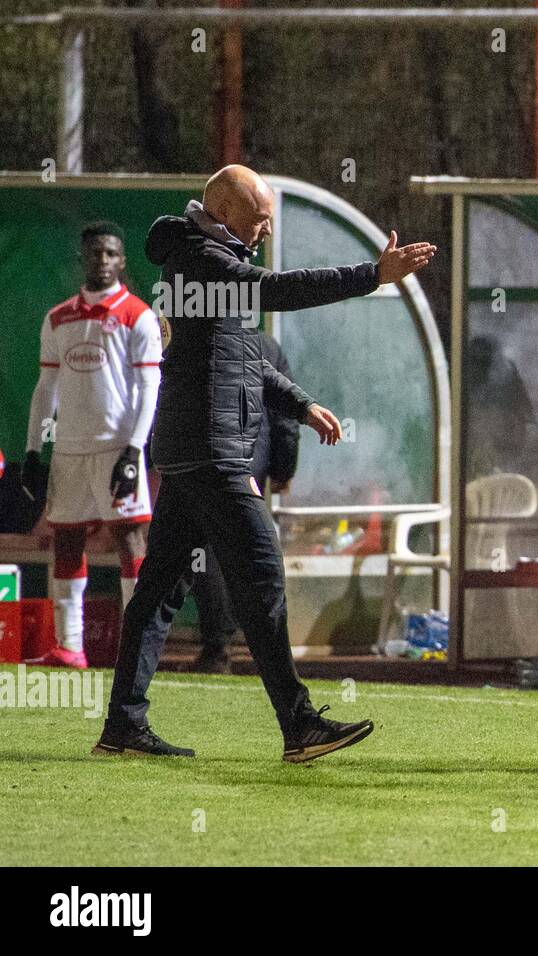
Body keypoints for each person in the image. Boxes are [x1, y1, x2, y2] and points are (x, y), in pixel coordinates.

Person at [92, 165, 434, 761]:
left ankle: (123, 726)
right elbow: (278, 289)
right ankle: (298, 725)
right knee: (260, 574)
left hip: (191, 447)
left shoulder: (196, 257)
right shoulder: (204, 260)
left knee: (157, 592)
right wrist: (372, 275)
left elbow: (239, 356)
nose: (268, 227)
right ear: (224, 210)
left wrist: (299, 405)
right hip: (213, 448)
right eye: (260, 215)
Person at [21, 220, 162, 669]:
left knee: (130, 541)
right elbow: (46, 388)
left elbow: (149, 386)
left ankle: (139, 649)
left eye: (111, 254)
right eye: (95, 252)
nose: (102, 260)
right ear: (82, 257)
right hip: (69, 451)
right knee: (66, 543)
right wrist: (31, 450)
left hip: (118, 448)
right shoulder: (58, 317)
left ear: (122, 260)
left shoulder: (138, 315)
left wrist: (135, 450)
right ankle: (70, 646)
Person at [187, 331, 303, 674]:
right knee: (252, 552)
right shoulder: (266, 346)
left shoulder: (199, 340)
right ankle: (266, 647)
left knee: (206, 551)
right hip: (252, 462)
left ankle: (218, 645)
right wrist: (284, 467)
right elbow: (285, 417)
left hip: (209, 458)